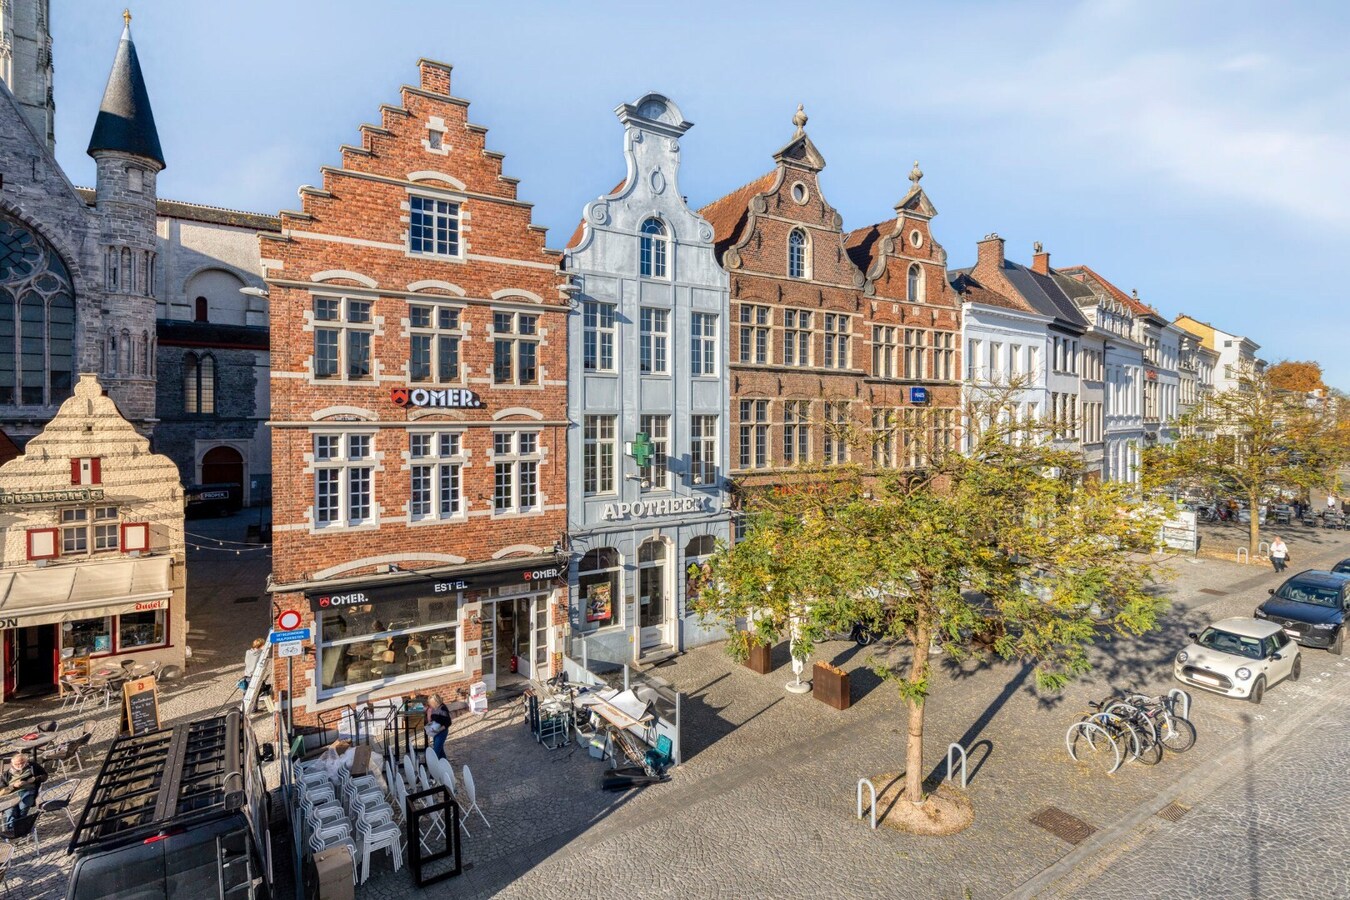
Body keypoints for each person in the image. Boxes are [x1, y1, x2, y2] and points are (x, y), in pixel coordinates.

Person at [0, 752, 47, 831]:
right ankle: (12, 831)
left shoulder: (32, 766)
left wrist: (34, 779)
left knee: (23, 808)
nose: (20, 765)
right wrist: (13, 786)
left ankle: (21, 829)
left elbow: (45, 776)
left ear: (26, 761)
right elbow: (1, 791)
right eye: (17, 764)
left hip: (28, 791)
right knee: (11, 811)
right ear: (12, 764)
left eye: (22, 763)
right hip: (12, 794)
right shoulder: (6, 775)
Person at [427, 693, 452, 760]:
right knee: (439, 749)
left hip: (441, 731)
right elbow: (433, 718)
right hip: (436, 730)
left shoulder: (442, 709)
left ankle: (434, 765)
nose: (430, 705)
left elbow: (448, 722)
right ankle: (444, 763)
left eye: (431, 703)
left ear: (435, 702)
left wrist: (439, 730)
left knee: (436, 750)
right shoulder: (434, 708)